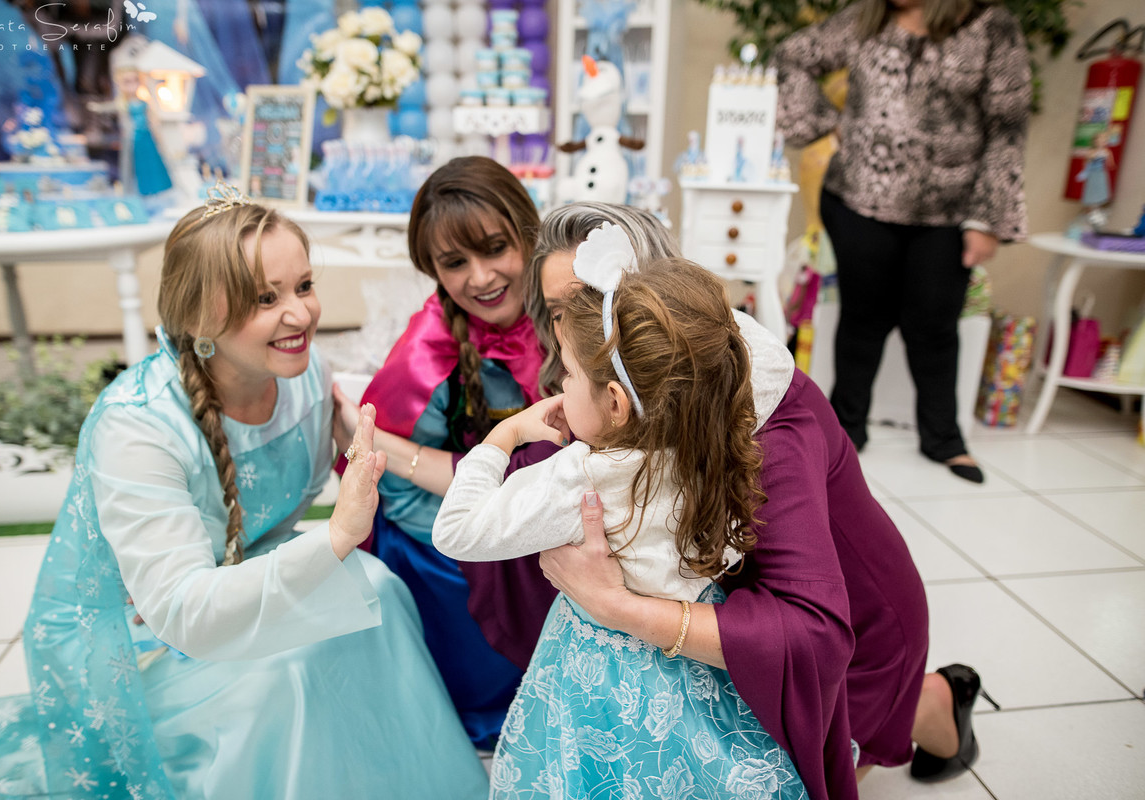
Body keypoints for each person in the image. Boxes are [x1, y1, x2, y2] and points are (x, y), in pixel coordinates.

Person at [0, 189, 489, 799]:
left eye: (303, 286)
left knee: (379, 590)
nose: (300, 314)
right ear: (202, 317)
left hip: (235, 577)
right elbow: (183, 610)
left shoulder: (304, 374)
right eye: (266, 297)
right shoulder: (139, 426)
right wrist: (335, 535)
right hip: (138, 631)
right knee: (286, 674)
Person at [470, 202, 986, 800]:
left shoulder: (757, 405)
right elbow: (534, 480)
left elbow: (811, 630)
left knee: (843, 743)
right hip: (746, 617)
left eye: (594, 299)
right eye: (562, 311)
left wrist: (615, 606)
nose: (574, 330)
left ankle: (942, 702)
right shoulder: (621, 384)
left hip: (849, 638)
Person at [434, 242, 809, 798]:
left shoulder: (583, 477)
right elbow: (771, 358)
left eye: (567, 374)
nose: (557, 385)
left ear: (614, 402)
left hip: (600, 670)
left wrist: (504, 435)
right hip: (690, 652)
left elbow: (456, 529)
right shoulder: (714, 440)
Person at [338, 156, 554, 747]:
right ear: (432, 269)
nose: (481, 277)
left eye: (495, 248)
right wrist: (495, 531)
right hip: (465, 542)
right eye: (455, 263)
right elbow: (388, 483)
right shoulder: (425, 358)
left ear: (528, 234)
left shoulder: (569, 309)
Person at [775, 0, 1033, 483]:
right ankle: (845, 432)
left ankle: (943, 439)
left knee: (934, 328)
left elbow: (1008, 126)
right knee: (860, 322)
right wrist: (820, 122)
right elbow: (794, 55)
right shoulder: (865, 18)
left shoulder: (991, 27)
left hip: (947, 213)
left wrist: (987, 218)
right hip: (857, 200)